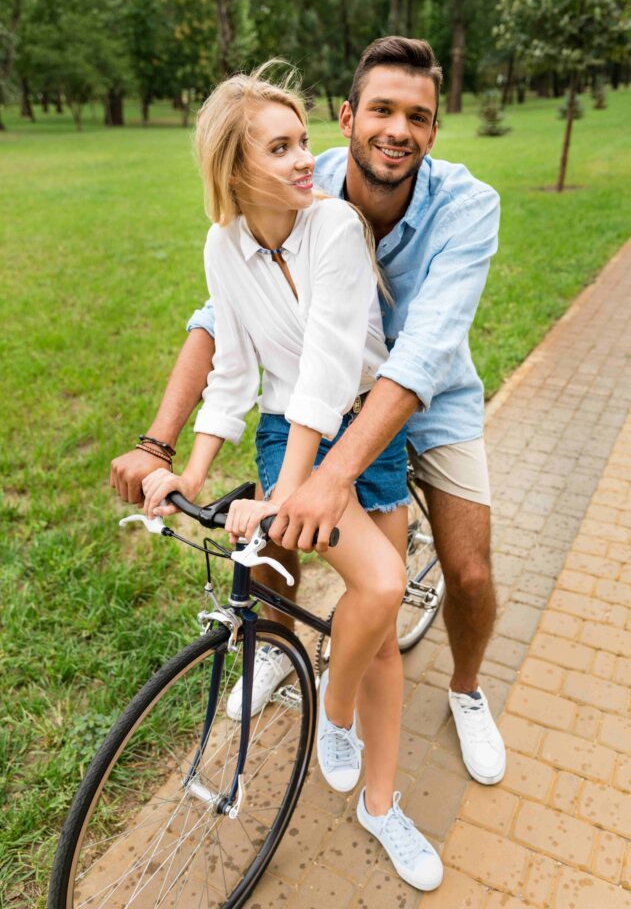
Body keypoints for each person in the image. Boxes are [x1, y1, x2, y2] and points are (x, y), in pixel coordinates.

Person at [111, 35, 506, 789]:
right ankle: (277, 649)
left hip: (428, 395)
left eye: (417, 117)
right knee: (280, 540)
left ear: (432, 129)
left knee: (468, 567)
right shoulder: (300, 178)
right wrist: (163, 450)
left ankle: (465, 689)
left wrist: (322, 479)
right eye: (382, 110)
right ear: (348, 116)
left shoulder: (464, 205)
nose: (398, 130)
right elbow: (221, 330)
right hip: (317, 404)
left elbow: (416, 357)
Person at [139, 64, 444, 892]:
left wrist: (289, 495)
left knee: (377, 618)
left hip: (361, 425)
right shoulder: (222, 246)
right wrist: (185, 470)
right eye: (281, 147)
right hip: (289, 431)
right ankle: (337, 718)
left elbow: (328, 363)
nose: (307, 158)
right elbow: (235, 373)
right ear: (234, 168)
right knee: (378, 592)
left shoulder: (335, 227)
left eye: (304, 139)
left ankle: (345, 740)